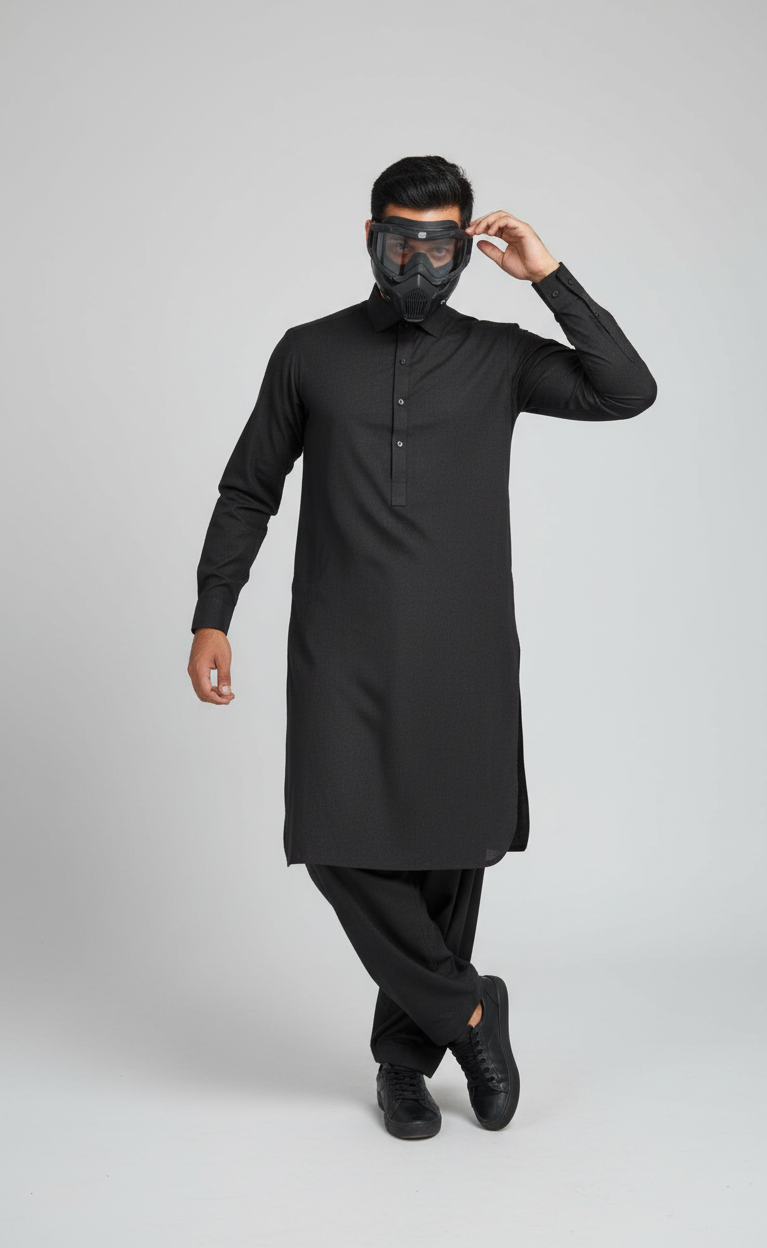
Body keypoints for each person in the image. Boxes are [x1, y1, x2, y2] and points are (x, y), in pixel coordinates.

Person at [187, 155, 658, 1139]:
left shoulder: (499, 355)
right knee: (333, 842)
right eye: (400, 238)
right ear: (370, 237)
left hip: (461, 647)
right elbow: (249, 488)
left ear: (465, 249)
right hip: (339, 645)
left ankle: (404, 1063)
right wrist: (212, 612)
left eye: (439, 243)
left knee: (445, 861)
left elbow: (627, 390)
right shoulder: (309, 352)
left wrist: (547, 275)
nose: (416, 260)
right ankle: (472, 1012)